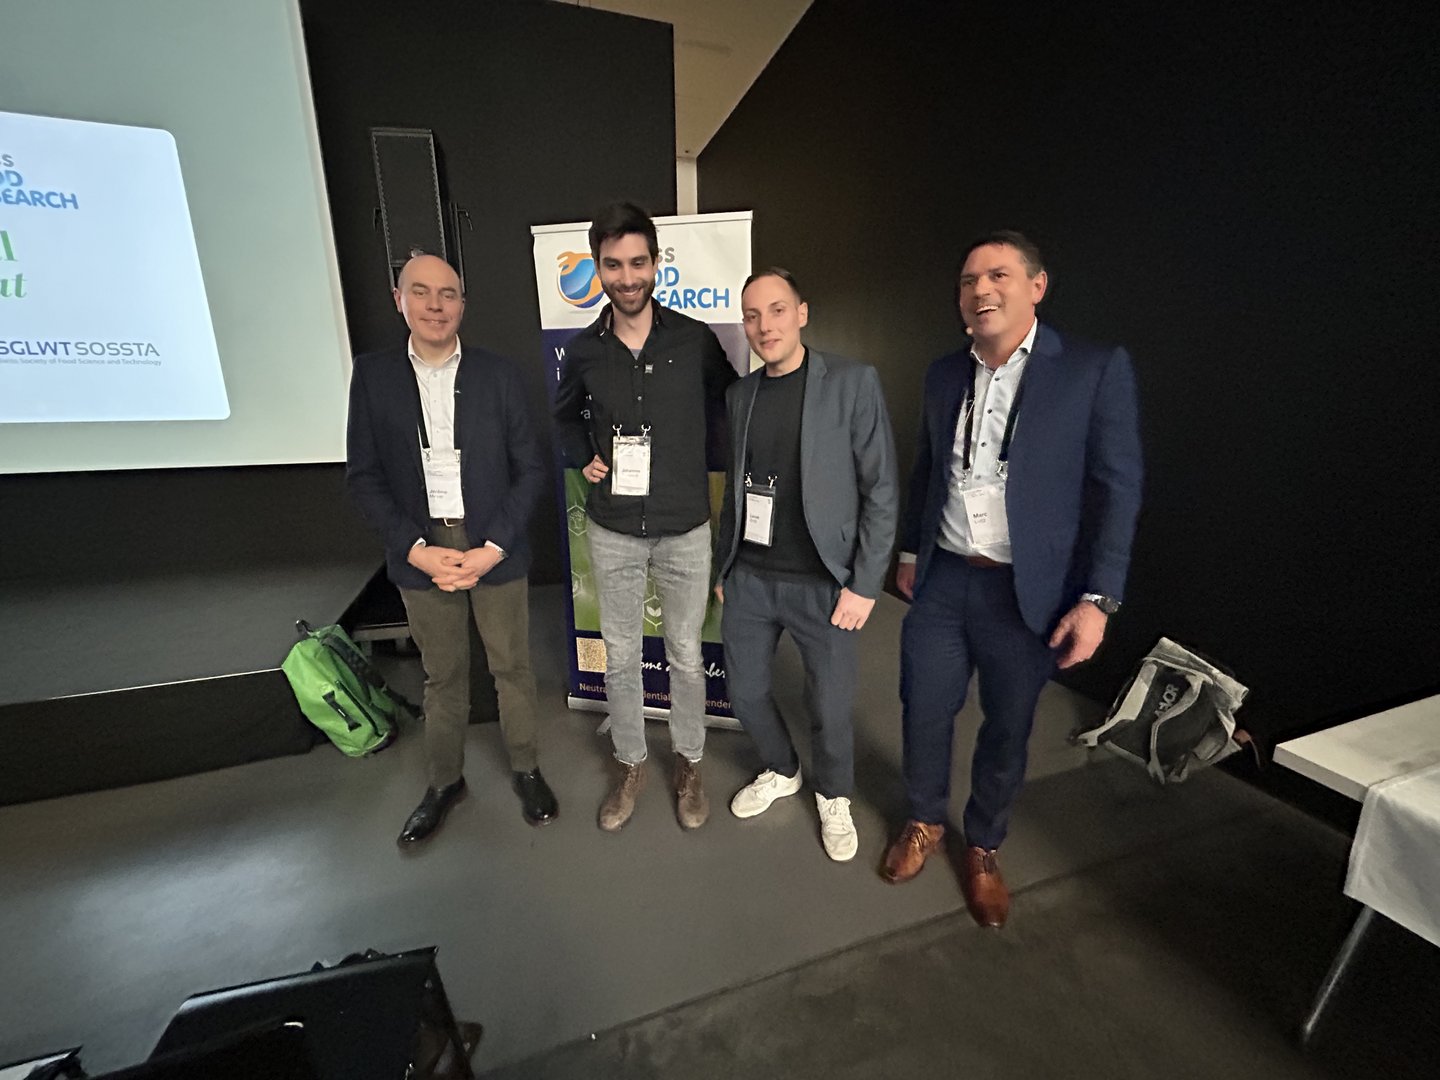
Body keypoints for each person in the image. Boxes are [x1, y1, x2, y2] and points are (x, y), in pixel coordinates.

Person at [884, 231, 1142, 926]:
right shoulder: (944, 373)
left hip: (1026, 593)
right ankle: (924, 820)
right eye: (969, 280)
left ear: (1037, 286)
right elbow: (927, 468)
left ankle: (984, 844)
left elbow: (1119, 489)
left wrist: (1098, 600)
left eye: (998, 275)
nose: (981, 290)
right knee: (923, 708)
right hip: (944, 581)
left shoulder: (1091, 370)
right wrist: (909, 551)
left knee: (1008, 726)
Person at [347, 253, 555, 847]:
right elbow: (364, 477)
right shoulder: (373, 376)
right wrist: (416, 550)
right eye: (421, 292)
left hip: (494, 545)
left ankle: (527, 769)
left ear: (463, 304)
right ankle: (444, 782)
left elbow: (530, 469)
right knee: (442, 676)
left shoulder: (499, 375)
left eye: (448, 294)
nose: (435, 305)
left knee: (511, 667)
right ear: (399, 300)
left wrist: (494, 548)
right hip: (422, 550)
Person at [552, 203, 739, 832]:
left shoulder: (695, 340)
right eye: (613, 265)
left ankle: (690, 762)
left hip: (686, 528)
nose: (627, 277)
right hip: (613, 530)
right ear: (598, 268)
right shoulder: (584, 351)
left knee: (685, 654)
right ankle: (630, 763)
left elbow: (733, 405)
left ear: (656, 263)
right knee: (621, 656)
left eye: (638, 262)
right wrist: (582, 455)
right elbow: (563, 416)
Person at [714, 268, 898, 861]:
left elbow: (881, 490)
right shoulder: (740, 395)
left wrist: (865, 583)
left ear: (802, 312)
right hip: (750, 577)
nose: (764, 325)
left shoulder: (851, 382)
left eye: (776, 310)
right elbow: (736, 491)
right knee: (744, 693)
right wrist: (724, 568)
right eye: (751, 315)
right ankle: (782, 769)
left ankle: (834, 794)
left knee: (829, 705)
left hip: (825, 581)